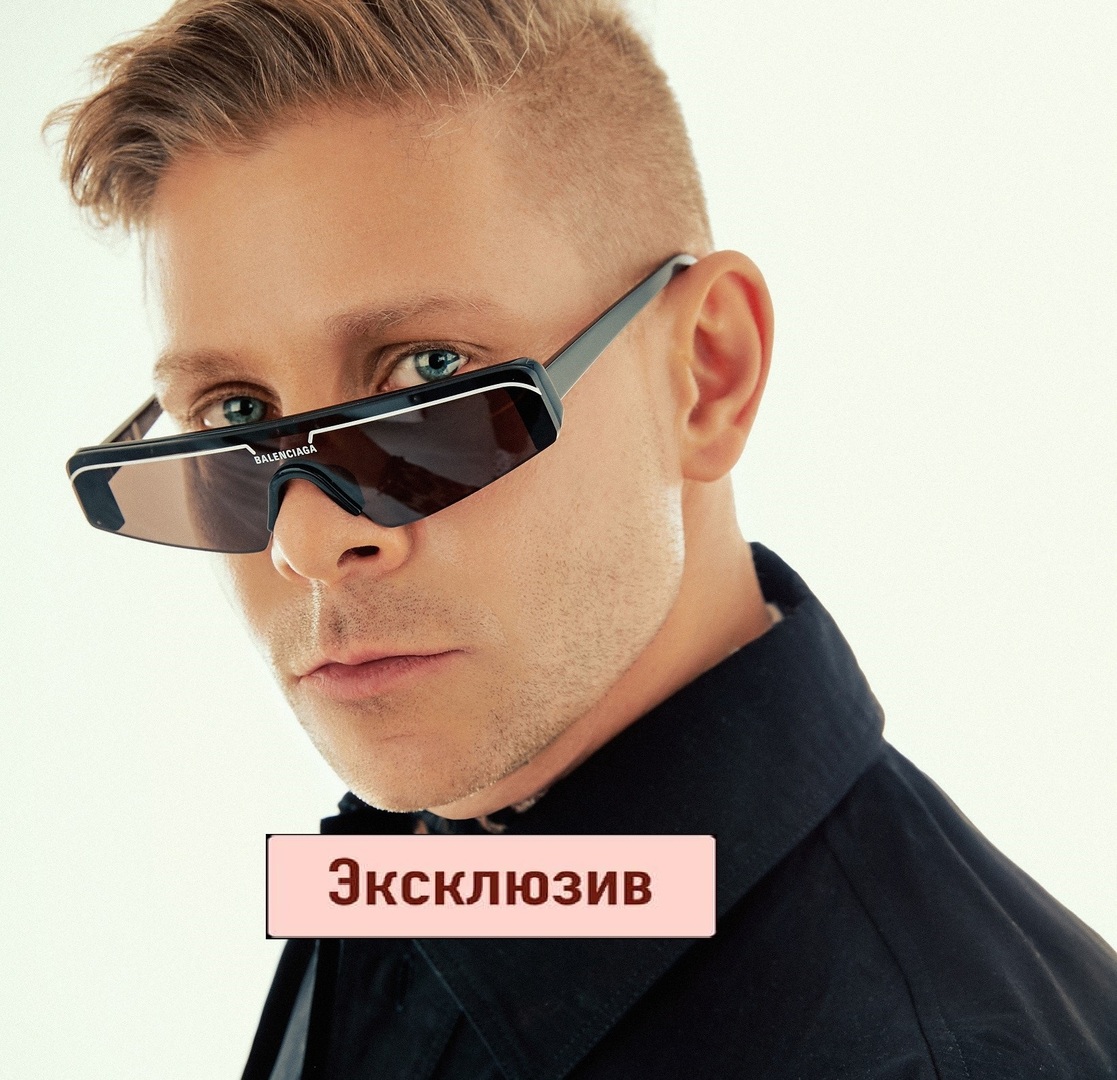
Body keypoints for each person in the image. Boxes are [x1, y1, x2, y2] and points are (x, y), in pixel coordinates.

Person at [49, 1, 1116, 1077]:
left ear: (706, 374)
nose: (308, 540)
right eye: (235, 412)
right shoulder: (423, 867)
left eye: (431, 375)